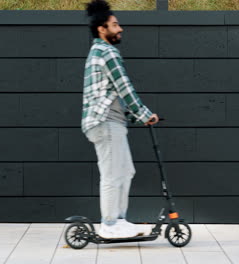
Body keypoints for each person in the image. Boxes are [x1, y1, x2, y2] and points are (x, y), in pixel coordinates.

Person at [82, 0, 160, 239]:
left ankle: (120, 220)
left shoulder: (100, 52)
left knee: (125, 171)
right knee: (113, 173)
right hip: (104, 122)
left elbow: (114, 96)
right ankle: (109, 224)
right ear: (101, 29)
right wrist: (145, 114)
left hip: (111, 121)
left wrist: (137, 118)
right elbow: (125, 88)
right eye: (115, 25)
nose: (120, 28)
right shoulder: (106, 52)